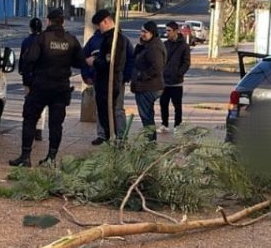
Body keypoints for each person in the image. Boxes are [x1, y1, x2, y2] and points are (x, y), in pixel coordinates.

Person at [10, 9, 83, 167]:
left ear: (48, 21)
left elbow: (29, 60)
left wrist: (29, 82)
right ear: (63, 22)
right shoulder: (71, 40)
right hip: (61, 88)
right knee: (56, 124)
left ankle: (25, 156)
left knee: (30, 120)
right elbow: (80, 61)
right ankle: (51, 158)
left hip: (40, 87)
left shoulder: (41, 38)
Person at [88, 9, 128, 145]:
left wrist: (94, 61)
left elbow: (110, 63)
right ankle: (108, 138)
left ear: (106, 21)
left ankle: (115, 140)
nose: (99, 29)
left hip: (109, 83)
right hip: (103, 83)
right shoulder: (107, 38)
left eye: (99, 25)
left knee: (110, 114)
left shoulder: (115, 39)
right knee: (104, 114)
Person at [131, 21, 166, 140]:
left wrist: (141, 75)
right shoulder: (148, 45)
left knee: (146, 117)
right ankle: (150, 141)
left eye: (145, 32)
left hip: (148, 87)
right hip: (146, 86)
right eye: (141, 31)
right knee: (147, 116)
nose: (142, 34)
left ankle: (149, 142)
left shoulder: (154, 47)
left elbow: (157, 66)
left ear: (152, 33)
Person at [161, 21, 191, 134]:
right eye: (166, 30)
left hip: (176, 82)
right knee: (163, 103)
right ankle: (164, 124)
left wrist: (179, 73)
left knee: (177, 105)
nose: (167, 33)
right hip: (164, 81)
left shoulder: (184, 46)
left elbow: (186, 63)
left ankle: (178, 125)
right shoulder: (165, 44)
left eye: (169, 31)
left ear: (176, 31)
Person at [19, 17, 45, 142]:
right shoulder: (45, 40)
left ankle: (29, 127)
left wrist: (22, 72)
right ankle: (38, 130)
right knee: (41, 105)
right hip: (42, 79)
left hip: (28, 79)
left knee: (29, 104)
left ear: (30, 28)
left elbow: (22, 61)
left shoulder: (26, 41)